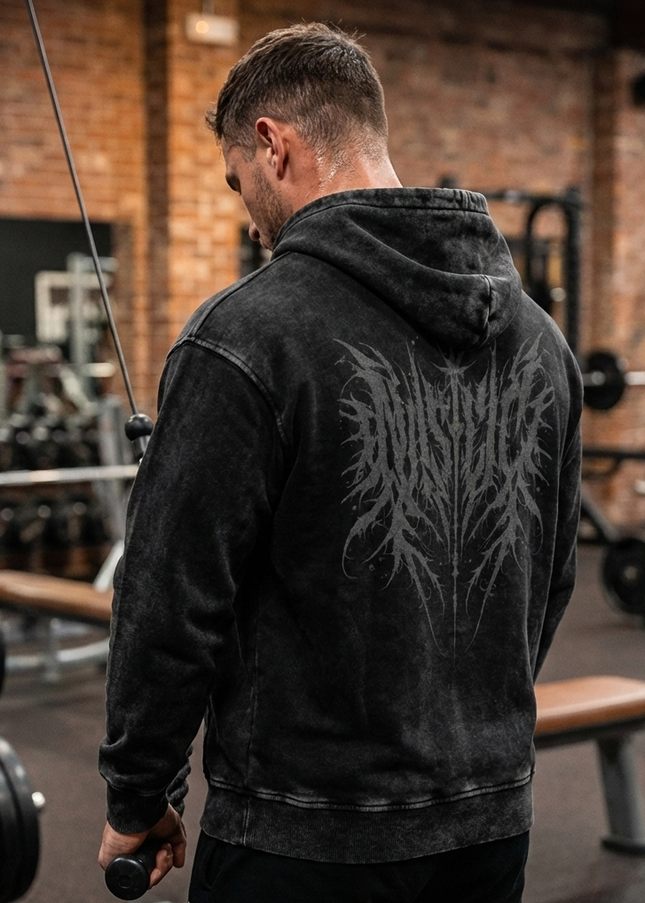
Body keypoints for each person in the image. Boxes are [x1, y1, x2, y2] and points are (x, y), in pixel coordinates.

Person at [98, 22, 582, 903]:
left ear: (272, 145)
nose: (247, 211)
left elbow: (170, 599)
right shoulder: (543, 344)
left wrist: (140, 793)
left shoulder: (245, 334)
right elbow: (549, 578)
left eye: (238, 181)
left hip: (302, 839)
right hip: (488, 827)